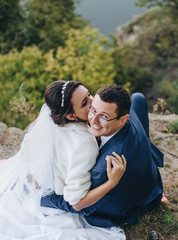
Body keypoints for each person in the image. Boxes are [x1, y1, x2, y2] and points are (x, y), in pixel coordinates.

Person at [0, 81, 126, 240]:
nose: (92, 103)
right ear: (71, 116)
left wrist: (14, 163)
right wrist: (112, 182)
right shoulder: (85, 143)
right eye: (85, 102)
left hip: (32, 188)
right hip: (52, 200)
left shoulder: (53, 123)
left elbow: (29, 147)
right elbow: (77, 202)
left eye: (88, 94)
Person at [41, 84, 165, 227]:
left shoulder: (103, 168)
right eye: (93, 109)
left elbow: (78, 204)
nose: (93, 120)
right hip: (151, 176)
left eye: (104, 116)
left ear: (123, 119)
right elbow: (139, 99)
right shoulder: (128, 109)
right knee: (137, 97)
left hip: (130, 201)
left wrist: (46, 198)